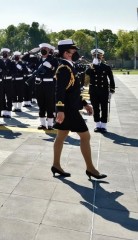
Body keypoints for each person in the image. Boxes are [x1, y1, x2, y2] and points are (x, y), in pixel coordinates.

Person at [52, 39, 107, 180]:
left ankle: (56, 165)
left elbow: (73, 91)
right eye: (73, 51)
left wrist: (84, 104)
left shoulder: (70, 66)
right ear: (66, 53)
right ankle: (90, 168)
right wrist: (60, 110)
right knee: (85, 136)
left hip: (69, 108)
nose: (75, 53)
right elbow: (59, 91)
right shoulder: (64, 68)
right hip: (68, 110)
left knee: (61, 135)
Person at [85, 48, 115, 133]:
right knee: (96, 108)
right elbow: (86, 76)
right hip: (94, 91)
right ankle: (98, 125)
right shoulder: (90, 66)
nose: (97, 57)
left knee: (104, 108)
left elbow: (111, 79)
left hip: (103, 90)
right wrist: (92, 66)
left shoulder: (106, 67)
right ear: (92, 56)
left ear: (102, 57)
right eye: (95, 56)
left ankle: (104, 125)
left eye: (98, 56)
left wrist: (111, 90)